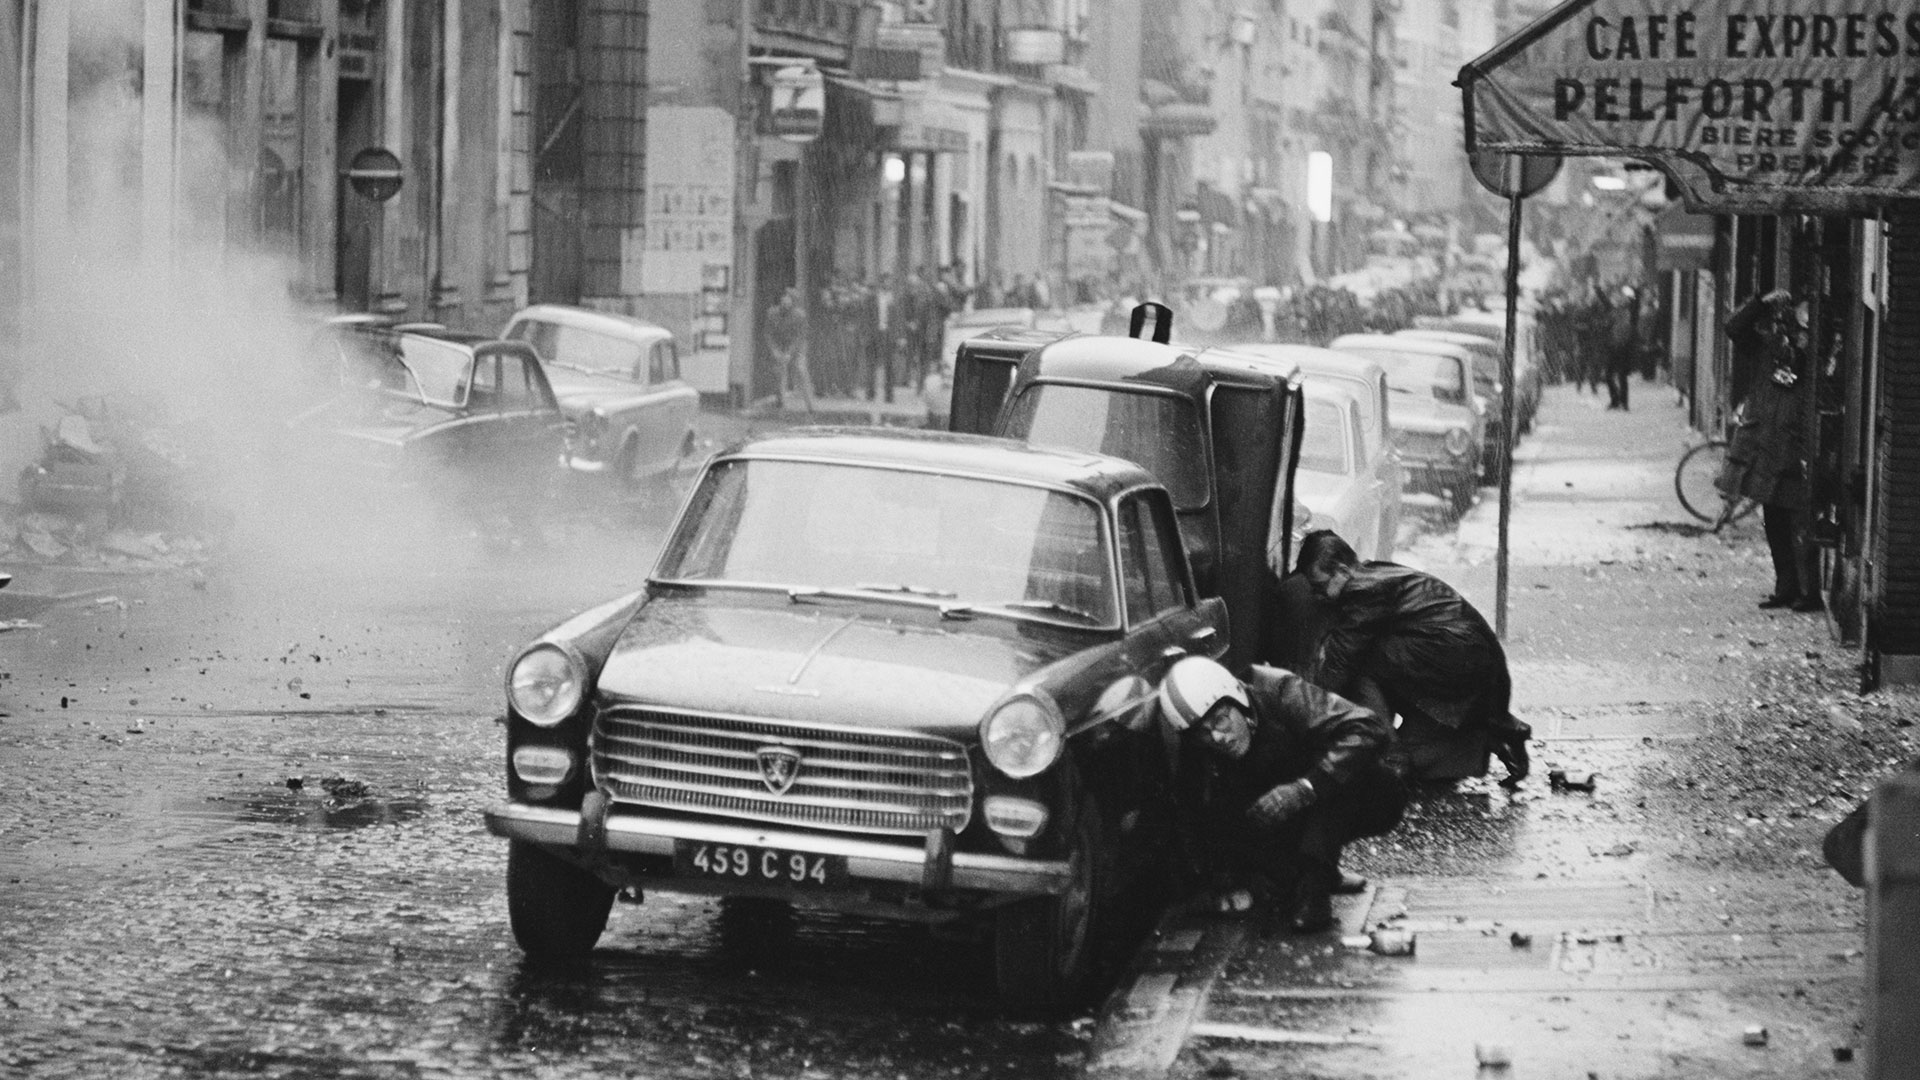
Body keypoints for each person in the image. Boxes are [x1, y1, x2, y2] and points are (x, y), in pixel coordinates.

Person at [1160, 656, 1407, 933]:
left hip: (1321, 792)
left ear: (1238, 700)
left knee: (1355, 776)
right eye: (1204, 733)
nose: (1218, 738)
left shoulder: (1282, 692)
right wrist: (1217, 880)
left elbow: (1367, 728)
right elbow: (1191, 811)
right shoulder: (1197, 751)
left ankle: (1316, 877)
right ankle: (1303, 873)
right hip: (1266, 812)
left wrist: (1306, 787)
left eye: (1221, 721)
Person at [1297, 530, 1532, 788]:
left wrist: (1309, 714)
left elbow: (1341, 661)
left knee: (1358, 662)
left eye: (1320, 587)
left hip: (1455, 658)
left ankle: (1392, 758)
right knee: (1369, 658)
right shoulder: (1376, 573)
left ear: (1342, 571)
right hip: (1467, 661)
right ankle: (1497, 732)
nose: (1317, 596)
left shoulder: (1363, 590)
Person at [1722, 288, 1819, 612]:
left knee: (1800, 524)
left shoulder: (1818, 358)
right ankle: (1786, 587)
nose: (1796, 339)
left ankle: (1808, 591)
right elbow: (1734, 328)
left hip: (1796, 449)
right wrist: (1760, 302)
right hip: (1768, 448)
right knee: (1775, 524)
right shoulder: (1770, 350)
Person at [764, 287, 814, 416]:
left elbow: (799, 337)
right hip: (780, 345)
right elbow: (768, 333)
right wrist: (774, 350)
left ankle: (810, 405)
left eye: (788, 302)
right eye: (783, 301)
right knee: (779, 372)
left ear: (793, 303)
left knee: (800, 369)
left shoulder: (799, 316)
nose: (785, 304)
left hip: (797, 347)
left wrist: (789, 353)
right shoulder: (772, 313)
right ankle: (781, 403)